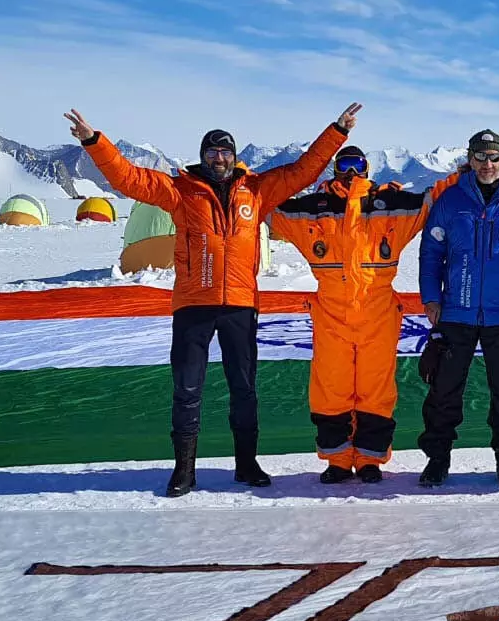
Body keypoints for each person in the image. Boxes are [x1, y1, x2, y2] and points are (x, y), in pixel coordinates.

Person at [65, 104, 358, 497]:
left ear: (235, 157)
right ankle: (184, 469)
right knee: (187, 389)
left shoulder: (256, 189)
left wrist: (337, 131)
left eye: (225, 152)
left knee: (244, 388)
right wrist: (93, 141)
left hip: (240, 303)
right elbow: (129, 179)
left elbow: (303, 171)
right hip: (193, 304)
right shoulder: (180, 190)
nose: (218, 158)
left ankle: (246, 464)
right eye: (211, 152)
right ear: (202, 156)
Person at [267, 146, 457, 484]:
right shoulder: (310, 210)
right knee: (331, 389)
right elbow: (263, 203)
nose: (351, 172)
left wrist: (483, 169)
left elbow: (436, 196)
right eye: (344, 164)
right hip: (331, 316)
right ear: (334, 169)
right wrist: (243, 178)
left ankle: (370, 460)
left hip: (378, 315)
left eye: (358, 165)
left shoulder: (392, 207)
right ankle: (338, 460)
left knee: (375, 390)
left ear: (368, 170)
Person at [416, 129, 499, 486]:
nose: (487, 164)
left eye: (494, 157)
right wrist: (431, 297)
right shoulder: (451, 200)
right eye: (480, 157)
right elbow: (431, 253)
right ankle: (438, 458)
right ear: (469, 159)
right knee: (444, 390)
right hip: (457, 311)